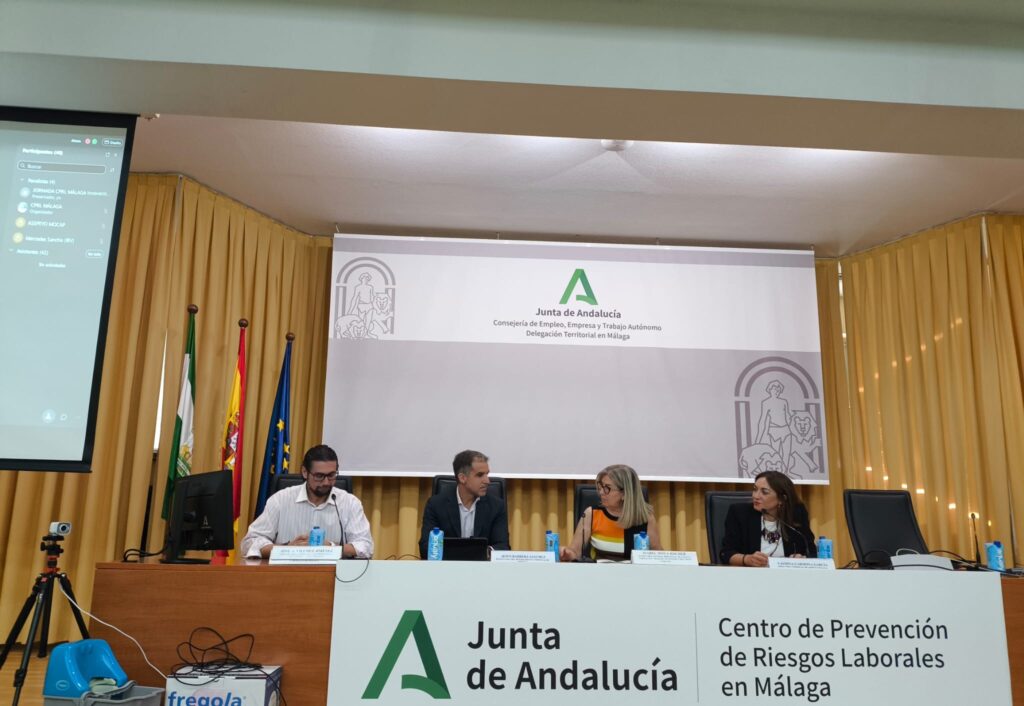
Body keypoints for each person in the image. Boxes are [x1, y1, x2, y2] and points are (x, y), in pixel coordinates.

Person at [241, 444, 373, 559]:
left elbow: (365, 546)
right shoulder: (281, 500)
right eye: (319, 476)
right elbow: (250, 543)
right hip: (286, 574)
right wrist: (287, 549)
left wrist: (331, 548)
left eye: (331, 475)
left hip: (334, 576)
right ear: (305, 472)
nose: (326, 482)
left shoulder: (349, 503)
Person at [418, 449, 510, 558]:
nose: (487, 481)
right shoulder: (436, 505)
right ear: (462, 478)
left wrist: (476, 553)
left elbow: (503, 547)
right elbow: (426, 547)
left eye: (487, 474)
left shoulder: (496, 506)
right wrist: (467, 552)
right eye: (480, 475)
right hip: (447, 566)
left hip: (482, 567)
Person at [560, 464, 661, 562]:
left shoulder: (645, 517)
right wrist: (567, 553)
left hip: (634, 573)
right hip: (599, 572)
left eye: (607, 488)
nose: (601, 492)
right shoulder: (592, 514)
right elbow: (575, 552)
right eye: (601, 487)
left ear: (625, 493)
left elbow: (657, 555)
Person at [720, 470, 816, 566]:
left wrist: (802, 558)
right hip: (752, 573)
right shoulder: (740, 513)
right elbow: (726, 554)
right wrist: (747, 559)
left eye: (764, 492)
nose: (755, 496)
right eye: (755, 489)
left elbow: (811, 552)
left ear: (782, 499)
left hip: (787, 573)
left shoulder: (796, 514)